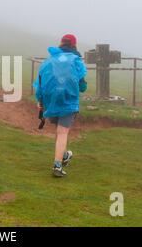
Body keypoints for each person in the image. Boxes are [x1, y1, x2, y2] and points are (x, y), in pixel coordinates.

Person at [34, 34, 88, 177]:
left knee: (59, 132)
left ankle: (64, 155)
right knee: (63, 132)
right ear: (74, 45)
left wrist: (40, 100)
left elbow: (39, 82)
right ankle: (57, 166)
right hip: (68, 99)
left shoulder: (48, 61)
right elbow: (82, 86)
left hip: (51, 100)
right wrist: (81, 85)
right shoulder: (76, 61)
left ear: (61, 44)